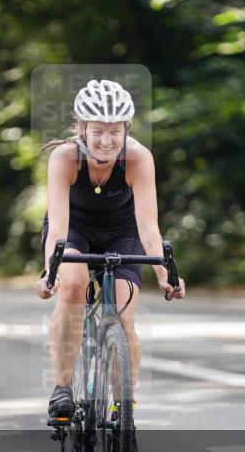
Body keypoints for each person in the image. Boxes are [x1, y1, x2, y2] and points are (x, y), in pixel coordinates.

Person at [35, 79, 185, 425]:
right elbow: (57, 227)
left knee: (123, 310)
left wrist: (165, 276)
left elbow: (148, 227)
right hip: (75, 228)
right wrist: (50, 274)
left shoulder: (138, 158)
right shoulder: (64, 158)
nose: (106, 140)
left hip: (123, 231)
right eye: (98, 131)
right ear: (81, 128)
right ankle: (62, 389)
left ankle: (124, 407)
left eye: (115, 131)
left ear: (126, 129)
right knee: (72, 287)